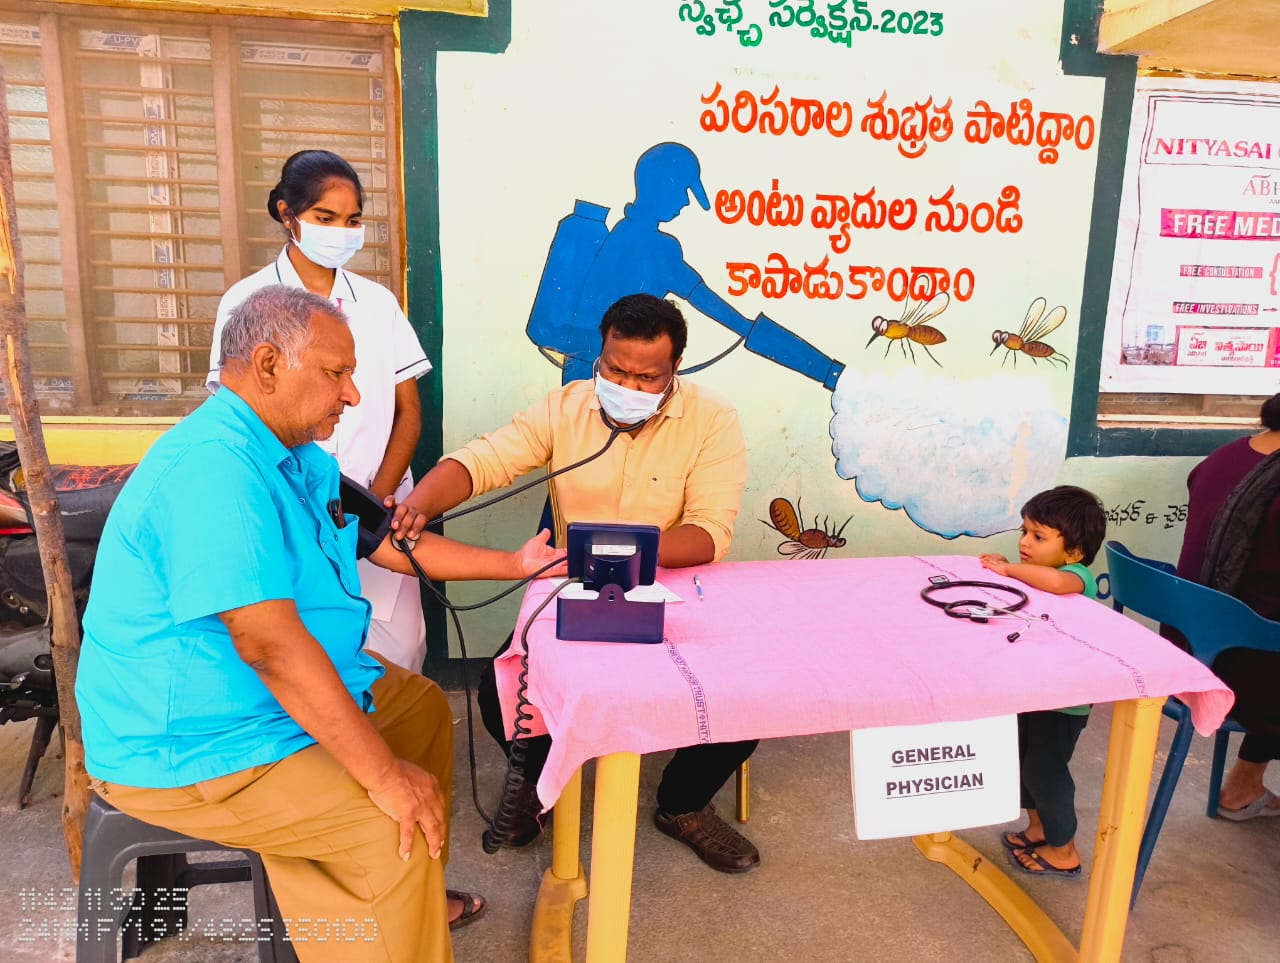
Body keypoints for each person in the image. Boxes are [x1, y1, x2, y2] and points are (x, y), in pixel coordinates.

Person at [77, 286, 562, 961]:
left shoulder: (294, 457)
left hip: (258, 703)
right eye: (337, 373)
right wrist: (384, 778)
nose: (354, 395)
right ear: (268, 364)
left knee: (420, 709)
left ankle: (396, 903)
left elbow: (387, 541)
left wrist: (516, 564)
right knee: (381, 819)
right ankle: (383, 892)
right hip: (196, 741)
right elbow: (269, 647)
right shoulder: (214, 471)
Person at [398, 293, 762, 873]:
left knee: (746, 693)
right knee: (500, 692)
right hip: (577, 582)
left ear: (675, 369)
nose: (628, 386)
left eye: (647, 377)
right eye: (615, 370)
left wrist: (614, 550)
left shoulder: (713, 419)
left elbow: (709, 533)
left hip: (671, 585)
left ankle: (683, 804)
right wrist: (420, 502)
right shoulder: (564, 407)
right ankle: (541, 789)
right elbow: (484, 461)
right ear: (600, 355)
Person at [208, 149, 431, 674]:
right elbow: (236, 421)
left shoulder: (377, 303)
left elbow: (408, 413)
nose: (341, 232)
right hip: (287, 507)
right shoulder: (247, 302)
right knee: (303, 654)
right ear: (287, 215)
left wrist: (374, 505)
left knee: (398, 653)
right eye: (325, 218)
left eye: (352, 220)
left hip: (376, 504)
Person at [527, 141, 844, 390]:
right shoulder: (659, 250)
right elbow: (724, 313)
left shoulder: (624, 231)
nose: (685, 202)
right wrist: (826, 371)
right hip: (608, 379)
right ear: (662, 189)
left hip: (587, 369)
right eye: (682, 191)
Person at [979, 484, 1107, 878]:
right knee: (1022, 761)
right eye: (1024, 531)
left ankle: (1064, 849)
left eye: (1038, 536)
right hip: (1037, 689)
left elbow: (1054, 585)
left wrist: (1009, 569)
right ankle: (1039, 829)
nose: (1024, 542)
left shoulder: (1076, 576)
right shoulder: (1042, 573)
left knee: (1045, 769)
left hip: (1066, 699)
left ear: (1074, 552)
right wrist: (1008, 566)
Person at [1174, 392, 1280, 819]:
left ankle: (1244, 785)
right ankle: (1243, 784)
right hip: (1239, 666)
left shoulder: (1225, 456)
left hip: (1188, 640)